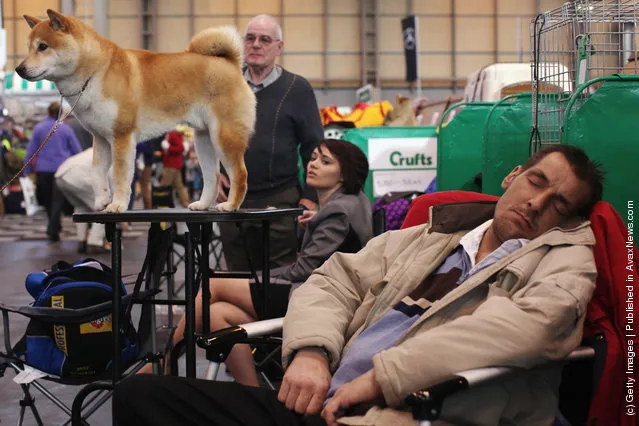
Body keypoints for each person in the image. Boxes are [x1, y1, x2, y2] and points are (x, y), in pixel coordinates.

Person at [115, 145, 604, 426]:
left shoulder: (566, 263)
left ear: (571, 221)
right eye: (536, 181)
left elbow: (529, 329)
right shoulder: (426, 234)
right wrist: (310, 351)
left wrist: (383, 377)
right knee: (141, 398)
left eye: (560, 204)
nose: (538, 203)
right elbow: (331, 280)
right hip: (320, 397)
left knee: (216, 299)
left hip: (405, 413)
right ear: (512, 176)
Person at [138, 139, 373, 380]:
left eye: (325, 162)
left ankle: (166, 363)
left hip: (316, 301)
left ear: (344, 174)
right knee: (218, 314)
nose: (312, 165)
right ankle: (253, 394)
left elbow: (305, 269)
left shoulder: (337, 212)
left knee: (213, 285)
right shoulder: (347, 204)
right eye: (313, 158)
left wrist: (254, 279)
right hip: (316, 294)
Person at [217, 14, 323, 272]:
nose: (256, 44)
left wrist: (310, 197)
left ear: (279, 47)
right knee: (237, 276)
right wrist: (212, 172)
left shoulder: (298, 89)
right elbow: (207, 135)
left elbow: (314, 147)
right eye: (250, 38)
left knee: (279, 279)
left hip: (280, 200)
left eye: (265, 39)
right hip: (232, 201)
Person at [24, 102, 82, 242]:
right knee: (57, 201)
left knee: (47, 200)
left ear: (48, 112)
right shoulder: (66, 129)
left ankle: (53, 228)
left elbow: (31, 151)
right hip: (61, 171)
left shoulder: (39, 128)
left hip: (42, 170)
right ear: (61, 113)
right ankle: (54, 228)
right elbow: (77, 150)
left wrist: (26, 171)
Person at [55, 148, 108, 253]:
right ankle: (94, 242)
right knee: (103, 208)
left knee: (81, 207)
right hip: (78, 176)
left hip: (61, 175)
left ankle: (81, 241)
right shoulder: (112, 153)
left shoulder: (99, 147)